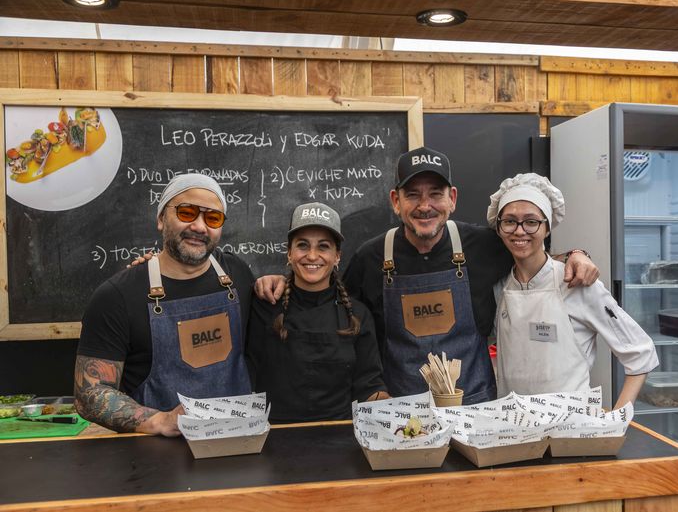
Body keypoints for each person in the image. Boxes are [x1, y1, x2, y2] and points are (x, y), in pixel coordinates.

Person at [257, 147, 599, 405]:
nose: (425, 206)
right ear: (396, 201)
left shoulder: (483, 245)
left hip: (475, 408)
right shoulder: (371, 257)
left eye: (435, 194)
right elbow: (331, 301)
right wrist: (284, 281)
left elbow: (530, 256)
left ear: (452, 199)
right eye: (413, 195)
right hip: (402, 412)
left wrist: (575, 255)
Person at [75, 174, 254, 436]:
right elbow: (89, 394)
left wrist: (279, 281)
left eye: (213, 218)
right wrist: (159, 420)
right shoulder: (117, 296)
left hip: (238, 442)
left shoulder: (239, 275)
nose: (199, 226)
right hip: (155, 454)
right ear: (161, 218)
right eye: (186, 212)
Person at [487, 173, 659, 408]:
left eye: (531, 221)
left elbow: (641, 353)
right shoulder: (501, 288)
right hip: (514, 425)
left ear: (547, 228)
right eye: (509, 221)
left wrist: (617, 420)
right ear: (499, 228)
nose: (519, 231)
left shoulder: (577, 283)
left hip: (571, 426)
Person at [249, 202, 389, 423]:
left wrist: (394, 415)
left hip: (340, 435)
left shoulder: (357, 315)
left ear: (337, 256)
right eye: (302, 245)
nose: (312, 256)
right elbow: (248, 372)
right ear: (289, 253)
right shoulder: (265, 305)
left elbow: (369, 385)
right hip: (274, 435)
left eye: (323, 246)